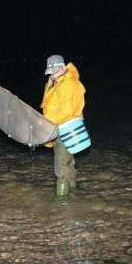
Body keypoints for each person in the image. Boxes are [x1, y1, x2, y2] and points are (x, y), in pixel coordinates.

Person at [40, 55, 86, 197]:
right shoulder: (53, 81)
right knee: (69, 161)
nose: (52, 75)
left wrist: (43, 121)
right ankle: (73, 191)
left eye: (55, 72)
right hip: (55, 126)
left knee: (61, 165)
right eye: (50, 72)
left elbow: (66, 111)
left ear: (63, 67)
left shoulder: (70, 84)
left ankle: (61, 199)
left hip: (66, 128)